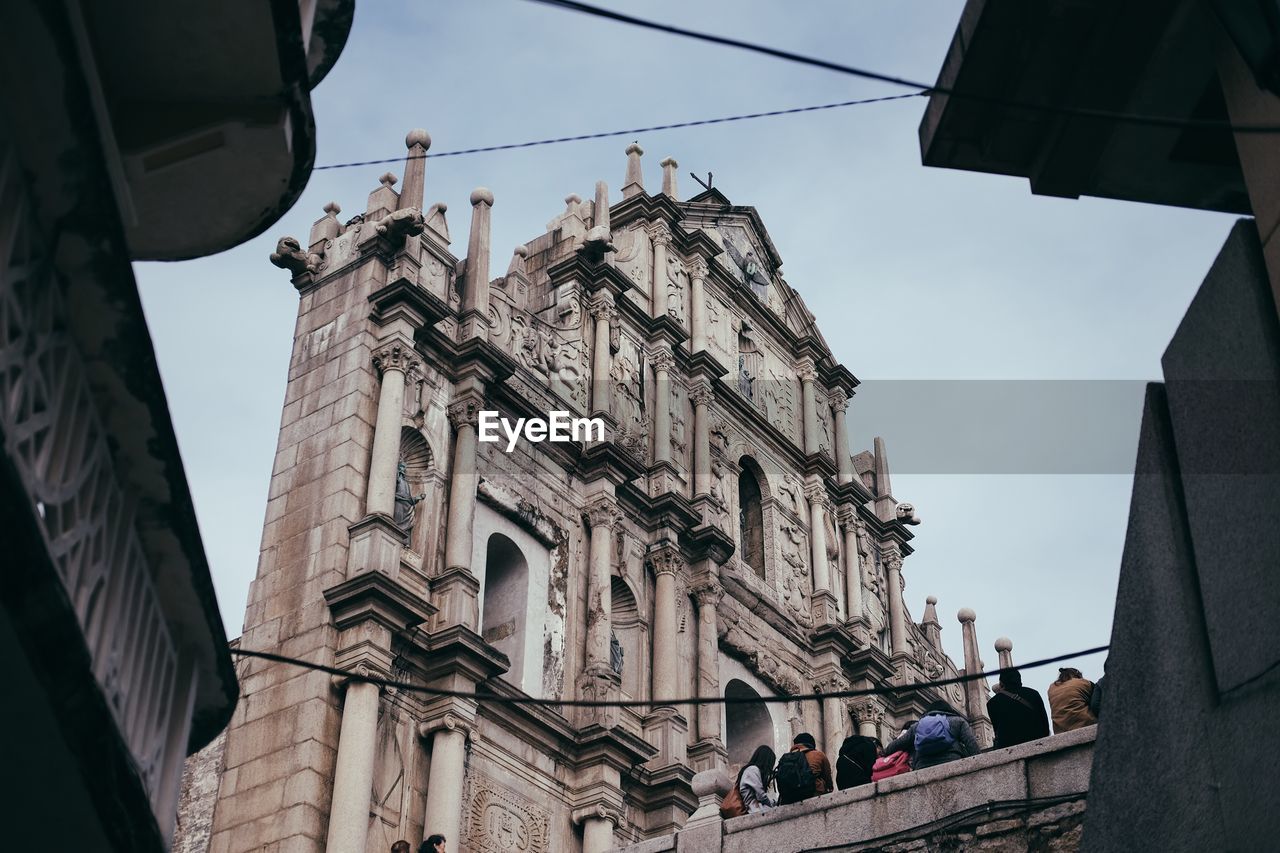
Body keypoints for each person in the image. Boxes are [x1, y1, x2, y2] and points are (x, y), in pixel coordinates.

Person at [885, 700, 979, 770]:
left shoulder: (918, 726)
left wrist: (884, 752)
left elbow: (896, 745)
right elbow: (971, 743)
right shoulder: (957, 721)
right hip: (952, 762)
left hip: (922, 766)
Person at [986, 668, 1050, 748]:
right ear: (1020, 680)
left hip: (1009, 748)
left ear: (1001, 683)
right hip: (1037, 744)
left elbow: (997, 731)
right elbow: (1045, 725)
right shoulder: (1033, 694)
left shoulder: (992, 703)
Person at [776, 732, 833, 804]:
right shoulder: (818, 754)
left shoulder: (785, 758)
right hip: (814, 794)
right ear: (811, 744)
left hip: (790, 797)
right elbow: (827, 777)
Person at [1047, 667, 1097, 733]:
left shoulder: (1051, 688)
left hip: (1060, 731)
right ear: (1077, 674)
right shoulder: (1083, 682)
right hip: (1086, 725)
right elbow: (1097, 702)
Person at [737, 745, 778, 814]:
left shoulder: (752, 770)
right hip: (755, 810)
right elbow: (761, 795)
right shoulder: (753, 770)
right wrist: (772, 805)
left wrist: (774, 802)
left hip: (756, 809)